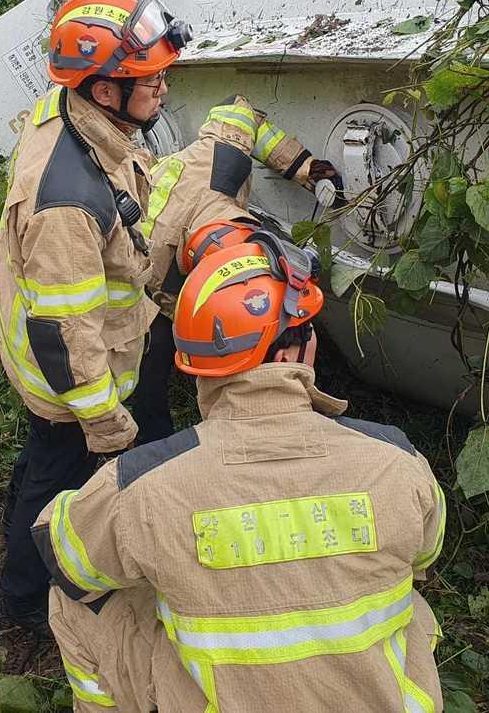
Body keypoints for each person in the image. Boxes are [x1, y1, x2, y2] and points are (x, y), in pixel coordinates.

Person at [35, 228, 447, 712]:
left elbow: (62, 554)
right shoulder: (397, 461)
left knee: (72, 600)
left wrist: (159, 543)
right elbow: (424, 557)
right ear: (295, 353)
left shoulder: (143, 485)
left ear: (194, 362)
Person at [0, 0, 191, 630]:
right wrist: (102, 420)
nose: (161, 87)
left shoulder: (78, 111)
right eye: (145, 78)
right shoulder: (65, 205)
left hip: (99, 347)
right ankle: (21, 601)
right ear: (104, 91)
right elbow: (62, 330)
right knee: (56, 471)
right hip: (73, 377)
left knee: (46, 459)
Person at [136, 96, 342, 442]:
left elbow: (238, 108)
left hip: (183, 212)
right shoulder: (155, 279)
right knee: (147, 373)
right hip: (146, 285)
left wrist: (302, 165)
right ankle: (154, 444)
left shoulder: (223, 158)